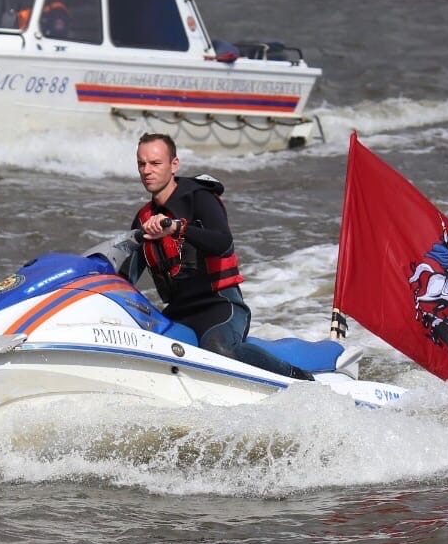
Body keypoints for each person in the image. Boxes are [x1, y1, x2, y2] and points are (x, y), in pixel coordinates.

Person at [125, 133, 312, 380]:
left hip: (220, 305)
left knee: (219, 350)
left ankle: (300, 379)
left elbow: (223, 243)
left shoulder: (199, 198)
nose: (147, 171)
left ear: (174, 165)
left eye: (155, 163)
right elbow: (125, 276)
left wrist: (176, 228)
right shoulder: (144, 219)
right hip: (178, 311)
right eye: (142, 164)